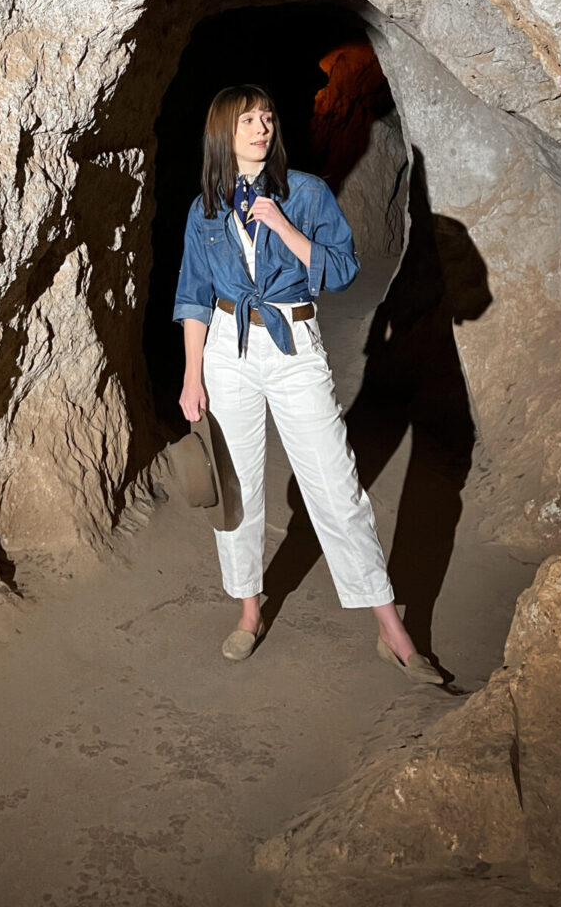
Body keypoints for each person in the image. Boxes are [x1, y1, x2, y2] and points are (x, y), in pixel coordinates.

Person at [173, 83, 440, 682]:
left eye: (267, 117)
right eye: (248, 121)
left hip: (293, 345)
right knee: (235, 487)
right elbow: (192, 296)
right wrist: (193, 376)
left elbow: (342, 268)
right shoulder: (205, 208)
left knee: (336, 485)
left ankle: (391, 628)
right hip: (226, 351)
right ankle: (249, 611)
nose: (261, 128)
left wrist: (284, 226)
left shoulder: (308, 192)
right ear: (225, 133)